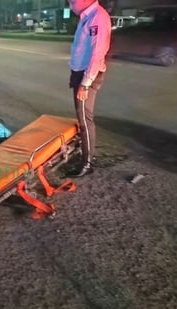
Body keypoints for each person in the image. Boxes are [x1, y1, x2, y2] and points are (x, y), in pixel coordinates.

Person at [67, 0, 111, 177]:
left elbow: (97, 54)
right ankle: (85, 156)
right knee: (82, 118)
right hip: (80, 74)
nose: (70, 5)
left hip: (87, 76)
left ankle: (87, 164)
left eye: (72, 1)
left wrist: (85, 84)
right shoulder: (86, 17)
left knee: (85, 120)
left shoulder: (98, 18)